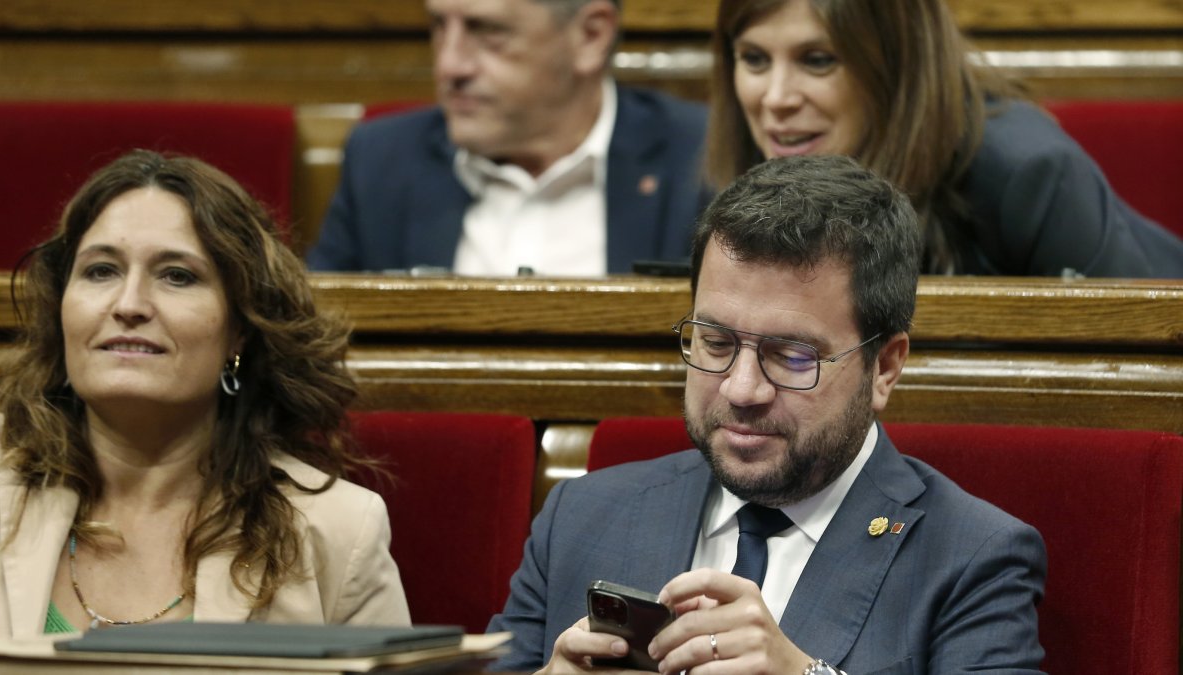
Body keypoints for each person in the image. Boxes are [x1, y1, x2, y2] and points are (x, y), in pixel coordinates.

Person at [486, 155, 1047, 673]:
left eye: (792, 356)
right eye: (716, 343)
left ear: (884, 367)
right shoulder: (581, 516)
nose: (742, 389)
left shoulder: (971, 557)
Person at [0, 150, 410, 639]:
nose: (129, 304)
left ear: (240, 331)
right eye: (101, 271)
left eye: (177, 276)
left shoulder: (338, 530)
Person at [706, 0, 1183, 278]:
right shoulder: (742, 174)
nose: (776, 98)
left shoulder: (1028, 173)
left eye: (817, 60)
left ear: (899, 66)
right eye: (754, 59)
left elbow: (1134, 363)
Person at [305, 0, 710, 276]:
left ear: (591, 36)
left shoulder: (703, 159)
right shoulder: (381, 160)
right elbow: (315, 346)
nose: (449, 65)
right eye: (439, 26)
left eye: (487, 30)